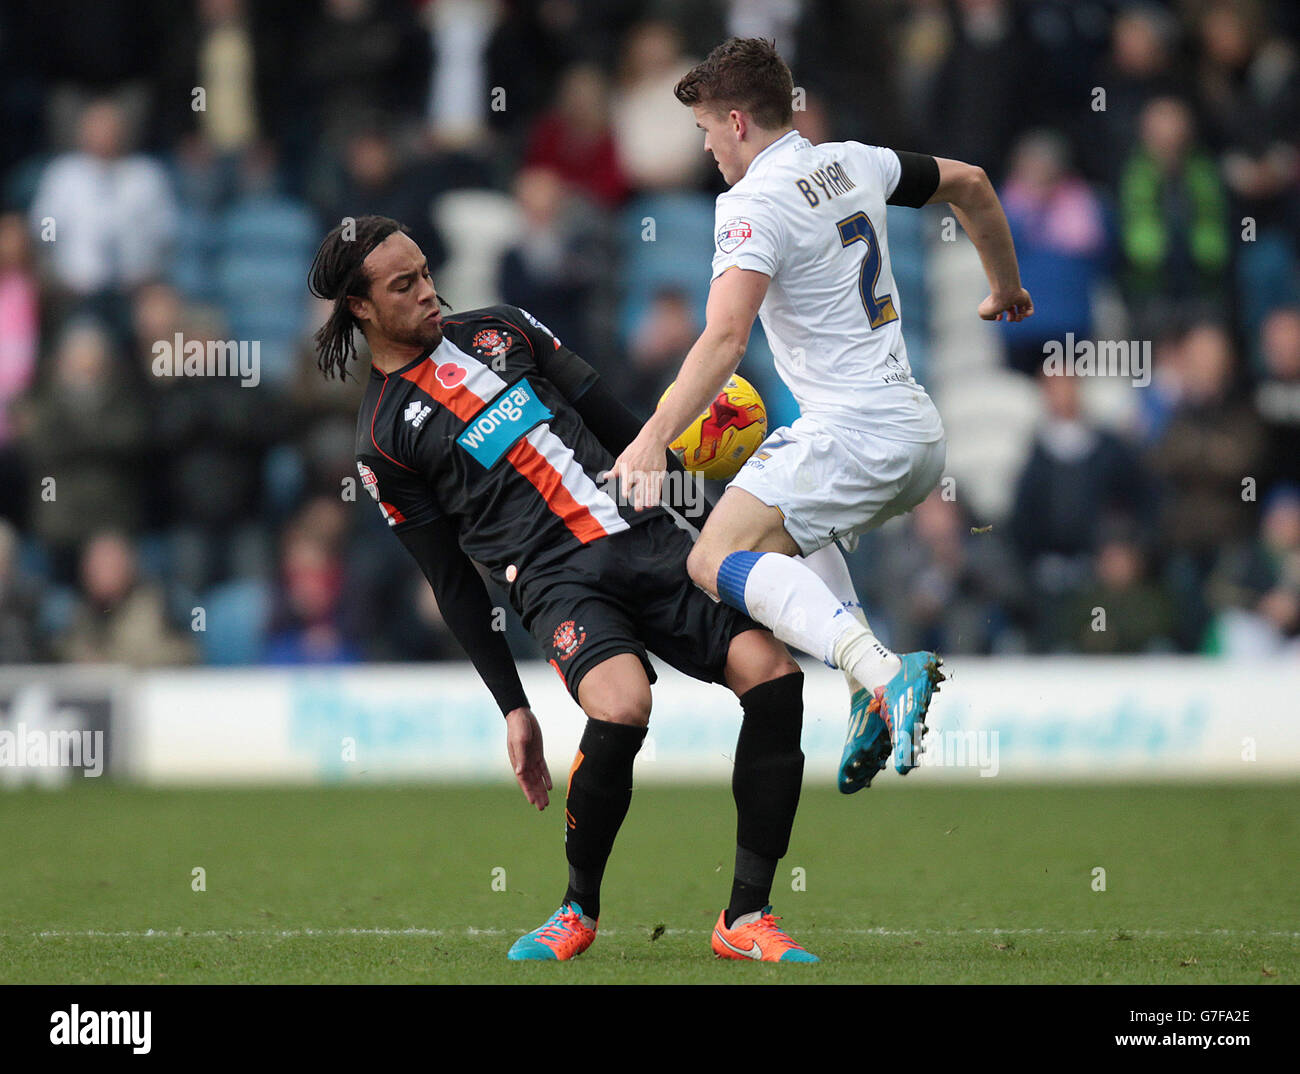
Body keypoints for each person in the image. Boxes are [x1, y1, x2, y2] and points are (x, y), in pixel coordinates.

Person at [309, 215, 818, 963]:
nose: (428, 292)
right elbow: (450, 581)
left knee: (774, 679)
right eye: (404, 285)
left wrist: (720, 514)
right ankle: (577, 909)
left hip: (647, 540)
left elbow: (623, 430)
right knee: (622, 706)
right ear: (360, 307)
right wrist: (511, 706)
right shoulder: (384, 441)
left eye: (425, 272)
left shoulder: (504, 329)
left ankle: (746, 916)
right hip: (555, 580)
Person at [608, 38, 1033, 792]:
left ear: (737, 122)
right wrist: (1004, 287)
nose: (705, 148)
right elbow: (970, 182)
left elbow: (726, 337)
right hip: (913, 433)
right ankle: (864, 693)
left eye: (706, 130)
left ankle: (881, 673)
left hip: (854, 434)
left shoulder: (749, 206)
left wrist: (649, 441)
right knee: (784, 536)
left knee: (712, 561)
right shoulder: (852, 160)